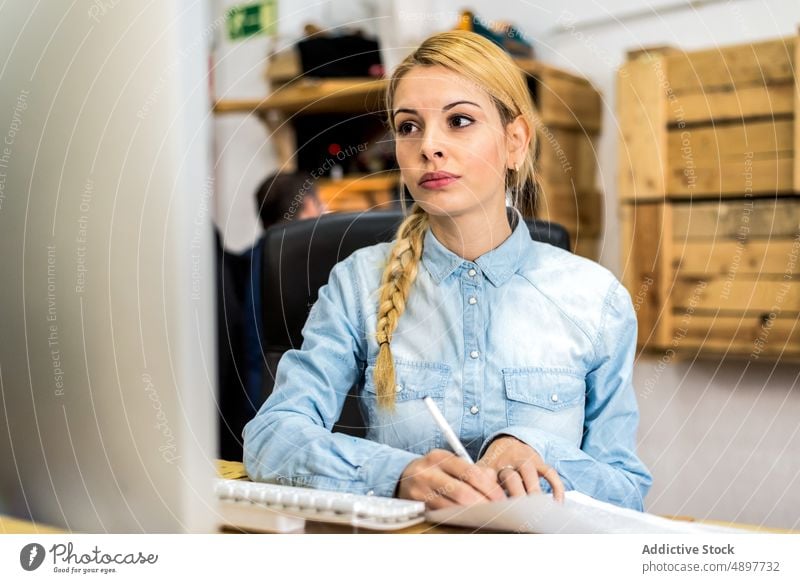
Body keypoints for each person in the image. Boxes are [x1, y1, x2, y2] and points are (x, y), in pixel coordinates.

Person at [243, 30, 652, 511]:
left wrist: (535, 449)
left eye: (459, 121)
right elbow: (272, 438)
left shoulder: (596, 298)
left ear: (515, 141)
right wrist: (396, 473)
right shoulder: (358, 285)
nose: (428, 147)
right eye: (409, 127)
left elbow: (626, 489)